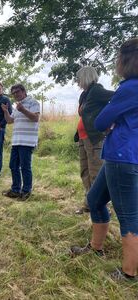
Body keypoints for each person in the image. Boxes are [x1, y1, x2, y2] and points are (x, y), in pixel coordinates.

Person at [70, 38, 138, 281]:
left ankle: (129, 273)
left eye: (119, 58)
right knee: (95, 199)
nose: (117, 62)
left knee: (129, 216)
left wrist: (111, 121)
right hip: (119, 155)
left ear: (127, 60)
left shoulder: (130, 87)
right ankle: (95, 248)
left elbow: (100, 122)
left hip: (122, 157)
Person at [74, 67, 114, 214]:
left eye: (78, 78)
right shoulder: (84, 95)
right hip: (83, 137)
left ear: (85, 77)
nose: (77, 81)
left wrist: (110, 121)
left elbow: (116, 97)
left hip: (94, 137)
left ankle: (103, 207)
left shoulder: (97, 90)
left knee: (96, 173)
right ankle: (89, 204)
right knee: (84, 172)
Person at [1, 84, 40, 200]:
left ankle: (26, 191)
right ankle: (15, 190)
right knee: (13, 166)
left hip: (27, 141)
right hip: (16, 141)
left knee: (25, 167)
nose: (15, 95)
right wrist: (6, 111)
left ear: (24, 91)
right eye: (13, 93)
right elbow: (9, 121)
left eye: (17, 92)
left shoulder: (33, 102)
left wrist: (23, 109)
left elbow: (35, 118)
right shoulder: (17, 106)